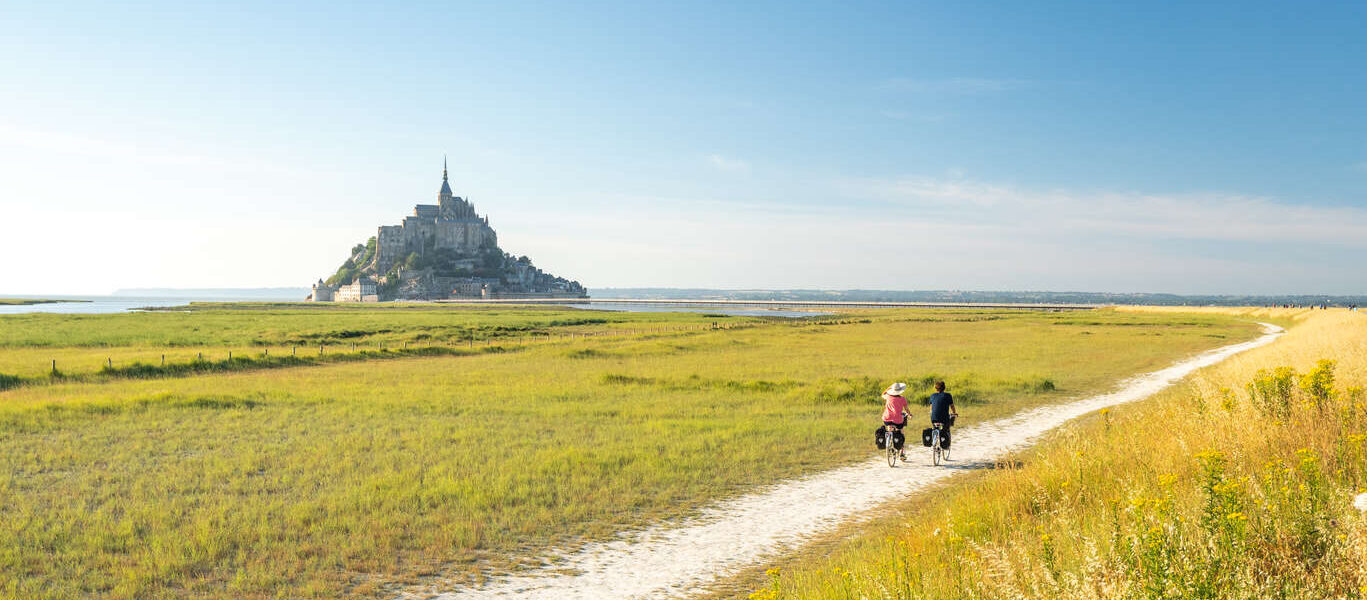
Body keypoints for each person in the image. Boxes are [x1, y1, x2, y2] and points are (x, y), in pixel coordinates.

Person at [880, 382, 909, 458]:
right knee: (901, 432)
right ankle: (902, 452)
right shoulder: (902, 399)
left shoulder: (888, 396)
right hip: (897, 420)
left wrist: (889, 388)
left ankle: (889, 439)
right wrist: (909, 414)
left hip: (886, 419)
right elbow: (906, 410)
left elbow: (882, 394)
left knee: (889, 428)